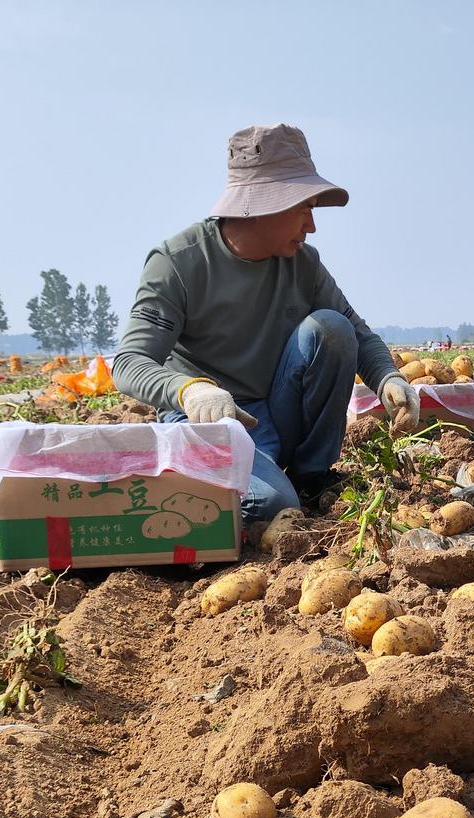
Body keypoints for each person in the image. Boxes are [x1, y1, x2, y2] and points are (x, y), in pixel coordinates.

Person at [112, 123, 420, 523]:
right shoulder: (178, 263)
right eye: (303, 208)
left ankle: (312, 475)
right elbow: (129, 363)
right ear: (262, 205)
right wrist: (190, 390)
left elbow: (354, 330)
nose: (311, 226)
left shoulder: (303, 264)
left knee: (331, 328)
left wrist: (388, 378)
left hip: (275, 408)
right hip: (210, 421)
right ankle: (221, 488)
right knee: (272, 506)